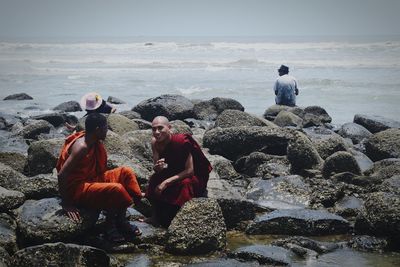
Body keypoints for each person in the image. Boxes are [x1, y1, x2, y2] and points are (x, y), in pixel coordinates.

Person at [56, 112, 142, 242]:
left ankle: (121, 219)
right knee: (116, 189)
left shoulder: (94, 140)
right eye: (106, 128)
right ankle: (110, 227)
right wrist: (67, 203)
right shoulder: (82, 147)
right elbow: (62, 174)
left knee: (126, 172)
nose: (107, 131)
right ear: (97, 130)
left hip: (92, 178)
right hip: (77, 188)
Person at [145, 116, 212, 227]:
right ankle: (155, 217)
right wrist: (159, 168)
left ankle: (180, 218)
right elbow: (158, 168)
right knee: (154, 179)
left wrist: (165, 182)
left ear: (169, 127)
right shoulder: (154, 143)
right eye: (154, 129)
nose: (157, 132)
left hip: (193, 174)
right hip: (173, 170)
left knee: (185, 184)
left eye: (160, 128)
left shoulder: (181, 141)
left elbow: (190, 171)